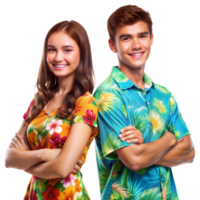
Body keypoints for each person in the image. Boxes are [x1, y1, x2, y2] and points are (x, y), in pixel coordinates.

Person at [93, 4, 195, 200]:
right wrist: (169, 139)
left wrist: (146, 148)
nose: (136, 45)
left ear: (151, 40)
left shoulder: (163, 95)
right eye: (126, 38)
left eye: (142, 36)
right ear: (112, 45)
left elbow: (189, 152)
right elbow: (134, 159)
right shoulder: (107, 96)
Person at [4, 19, 98, 200]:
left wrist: (26, 161)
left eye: (67, 50)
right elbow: (9, 157)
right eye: (52, 49)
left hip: (67, 195)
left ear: (82, 54)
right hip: (35, 194)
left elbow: (62, 168)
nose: (57, 57)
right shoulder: (40, 100)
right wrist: (44, 154)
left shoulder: (86, 103)